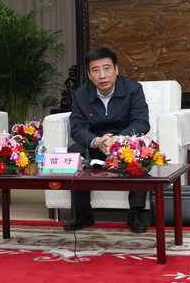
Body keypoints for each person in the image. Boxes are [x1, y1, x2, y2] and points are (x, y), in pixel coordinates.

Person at [63, 47, 150, 233]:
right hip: (95, 146)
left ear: (116, 69)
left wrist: (118, 139)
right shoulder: (81, 95)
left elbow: (141, 123)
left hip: (124, 146)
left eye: (107, 68)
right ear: (89, 74)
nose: (102, 75)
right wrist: (96, 141)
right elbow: (77, 128)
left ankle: (135, 213)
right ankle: (83, 214)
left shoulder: (133, 89)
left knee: (140, 152)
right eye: (95, 70)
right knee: (73, 151)